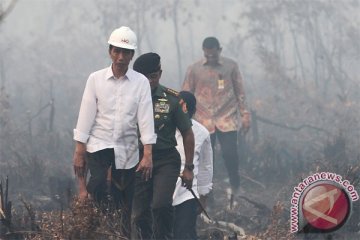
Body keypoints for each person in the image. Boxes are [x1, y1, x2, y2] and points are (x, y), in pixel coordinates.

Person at [72, 26, 157, 238]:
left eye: (125, 52)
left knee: (125, 200)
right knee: (98, 185)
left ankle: (121, 234)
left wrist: (147, 154)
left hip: (127, 150)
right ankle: (104, 222)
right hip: (99, 144)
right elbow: (86, 114)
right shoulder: (95, 79)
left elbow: (145, 119)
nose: (120, 57)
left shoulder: (141, 83)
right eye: (116, 51)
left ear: (131, 55)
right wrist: (79, 149)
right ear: (110, 51)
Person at [132, 53, 195, 240]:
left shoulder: (173, 100)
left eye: (154, 76)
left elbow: (187, 133)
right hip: (137, 160)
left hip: (165, 160)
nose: (150, 81)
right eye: (145, 77)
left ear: (160, 74)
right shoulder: (128, 98)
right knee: (139, 213)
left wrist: (189, 168)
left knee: (160, 205)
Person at [182, 36, 250, 199]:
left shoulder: (231, 66)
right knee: (205, 157)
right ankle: (206, 193)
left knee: (230, 154)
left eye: (214, 54)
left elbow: (240, 92)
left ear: (219, 50)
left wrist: (245, 114)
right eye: (208, 55)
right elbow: (185, 94)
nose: (211, 57)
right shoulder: (194, 69)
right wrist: (183, 117)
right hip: (203, 120)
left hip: (227, 119)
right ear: (204, 52)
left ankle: (235, 186)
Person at [173, 91, 213, 240]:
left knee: (184, 232)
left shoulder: (202, 133)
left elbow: (205, 166)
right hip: (163, 190)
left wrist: (203, 197)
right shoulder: (163, 129)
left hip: (188, 191)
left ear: (193, 112)